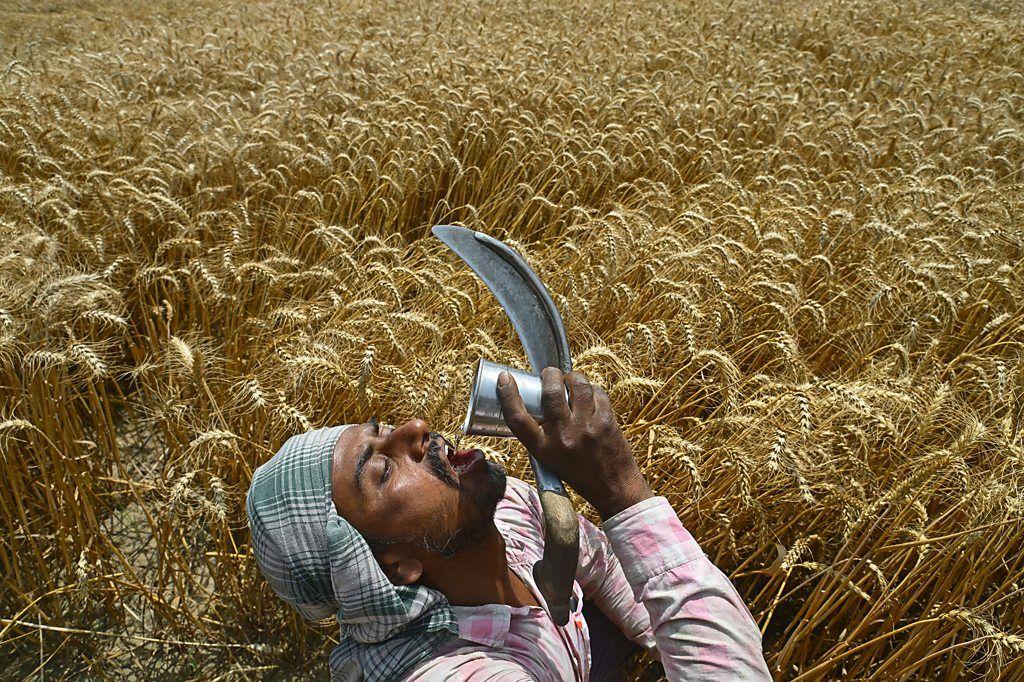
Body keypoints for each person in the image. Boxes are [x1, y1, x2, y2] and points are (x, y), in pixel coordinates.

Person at [246, 367, 771, 681]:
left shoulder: (508, 510)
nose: (416, 428)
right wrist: (623, 494)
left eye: (384, 430)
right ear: (394, 566)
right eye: (382, 471)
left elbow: (596, 559)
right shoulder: (451, 671)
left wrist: (654, 641)